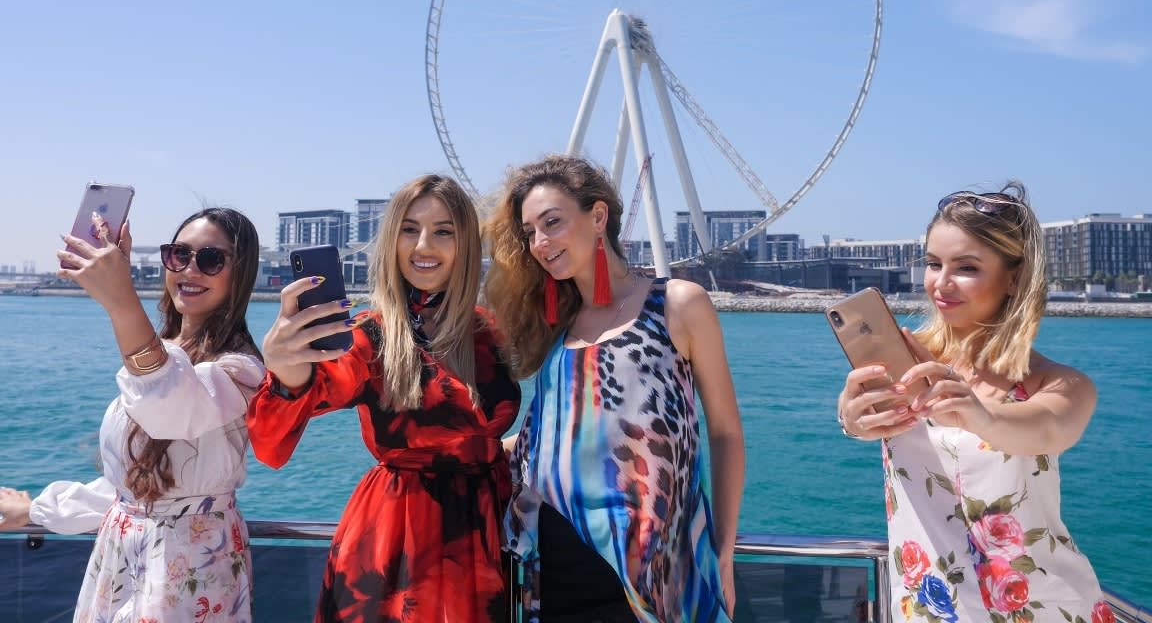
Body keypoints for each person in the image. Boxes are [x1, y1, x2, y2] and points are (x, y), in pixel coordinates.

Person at [247, 174, 520, 623]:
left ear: (466, 244)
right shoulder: (370, 338)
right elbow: (270, 447)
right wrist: (286, 368)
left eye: (444, 231)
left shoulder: (491, 331)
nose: (424, 245)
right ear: (391, 240)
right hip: (398, 543)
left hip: (488, 536)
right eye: (409, 229)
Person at [484, 154, 745, 623]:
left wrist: (723, 551)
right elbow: (550, 437)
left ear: (598, 215)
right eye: (530, 232)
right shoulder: (559, 326)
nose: (540, 242)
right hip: (555, 566)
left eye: (552, 222)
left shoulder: (677, 304)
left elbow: (725, 432)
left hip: (654, 573)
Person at [836, 183, 1113, 622]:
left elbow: (1048, 428)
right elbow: (860, 420)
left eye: (966, 267)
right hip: (930, 610)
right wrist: (852, 420)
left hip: (1046, 609)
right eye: (933, 263)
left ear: (1014, 278)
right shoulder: (906, 362)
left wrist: (979, 415)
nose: (941, 282)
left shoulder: (1060, 384)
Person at [0, 206, 265, 622]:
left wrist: (121, 300)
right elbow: (131, 490)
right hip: (121, 558)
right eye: (179, 254)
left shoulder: (240, 371)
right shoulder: (167, 353)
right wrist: (39, 510)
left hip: (191, 567)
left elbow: (168, 409)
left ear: (241, 274)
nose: (189, 269)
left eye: (211, 259)